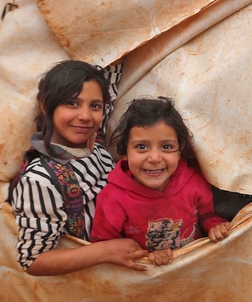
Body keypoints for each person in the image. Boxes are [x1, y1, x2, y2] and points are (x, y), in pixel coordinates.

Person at [8, 60, 149, 275]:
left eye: (95, 106)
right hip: (99, 276)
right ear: (46, 105)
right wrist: (104, 252)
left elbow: (111, 71)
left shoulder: (95, 144)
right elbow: (33, 260)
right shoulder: (41, 179)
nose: (84, 116)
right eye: (72, 103)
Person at [91, 97, 232, 265]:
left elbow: (207, 215)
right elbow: (105, 248)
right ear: (125, 152)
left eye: (166, 146)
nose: (154, 158)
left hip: (194, 270)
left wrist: (215, 226)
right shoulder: (113, 199)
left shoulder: (194, 182)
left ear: (180, 151)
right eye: (142, 147)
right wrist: (144, 256)